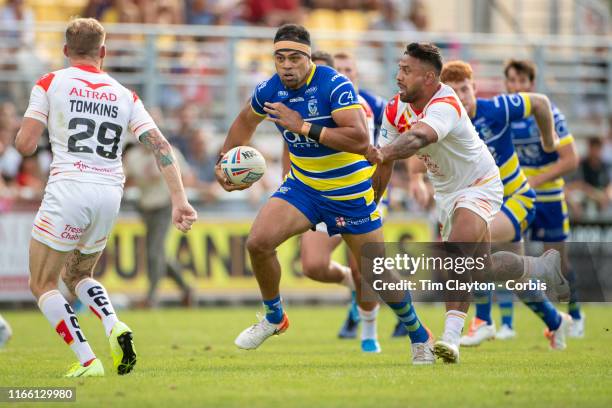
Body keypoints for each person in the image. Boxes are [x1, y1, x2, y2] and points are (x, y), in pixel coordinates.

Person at [215, 24, 435, 365]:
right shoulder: (270, 90)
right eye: (279, 58)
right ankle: (275, 317)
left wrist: (301, 126)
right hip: (304, 186)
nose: (286, 65)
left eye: (294, 58)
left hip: (350, 191)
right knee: (258, 242)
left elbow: (360, 139)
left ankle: (418, 334)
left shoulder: (335, 85)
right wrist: (223, 162)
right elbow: (245, 121)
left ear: (308, 57)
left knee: (375, 273)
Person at [14, 18, 197, 377]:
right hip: (109, 193)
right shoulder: (124, 94)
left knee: (42, 282)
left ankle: (87, 360)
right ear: (103, 52)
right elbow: (160, 145)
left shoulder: (51, 82)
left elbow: (25, 144)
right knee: (79, 272)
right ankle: (113, 324)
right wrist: (180, 199)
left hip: (69, 188)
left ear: (66, 51)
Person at [367, 43, 568, 363]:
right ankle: (539, 273)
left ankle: (450, 340)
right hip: (447, 194)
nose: (398, 76)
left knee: (455, 257)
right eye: (399, 69)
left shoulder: (445, 102)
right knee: (480, 268)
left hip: (481, 185)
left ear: (430, 78)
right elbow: (386, 164)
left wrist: (549, 141)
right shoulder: (394, 110)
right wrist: (371, 204)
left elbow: (418, 139)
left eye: (407, 70)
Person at [440, 61, 573, 351]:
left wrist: (550, 141)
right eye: (454, 91)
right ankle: (556, 321)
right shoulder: (445, 124)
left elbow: (540, 102)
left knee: (472, 244)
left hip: (517, 199)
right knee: (515, 278)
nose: (462, 96)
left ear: (475, 88)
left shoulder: (496, 109)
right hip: (485, 202)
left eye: (465, 89)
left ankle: (484, 321)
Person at [506, 59, 585, 338]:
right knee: (510, 259)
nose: (516, 87)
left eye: (521, 81)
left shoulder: (549, 113)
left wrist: (534, 181)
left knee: (559, 263)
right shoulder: (505, 115)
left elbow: (571, 159)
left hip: (549, 198)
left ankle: (575, 315)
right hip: (517, 200)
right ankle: (506, 323)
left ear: (532, 85)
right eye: (511, 81)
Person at [124, 142, 195, 308]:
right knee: (157, 253)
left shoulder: (170, 151)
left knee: (155, 253)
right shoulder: (133, 156)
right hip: (145, 208)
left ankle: (151, 297)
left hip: (165, 206)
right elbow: (125, 178)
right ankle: (186, 289)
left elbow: (186, 176)